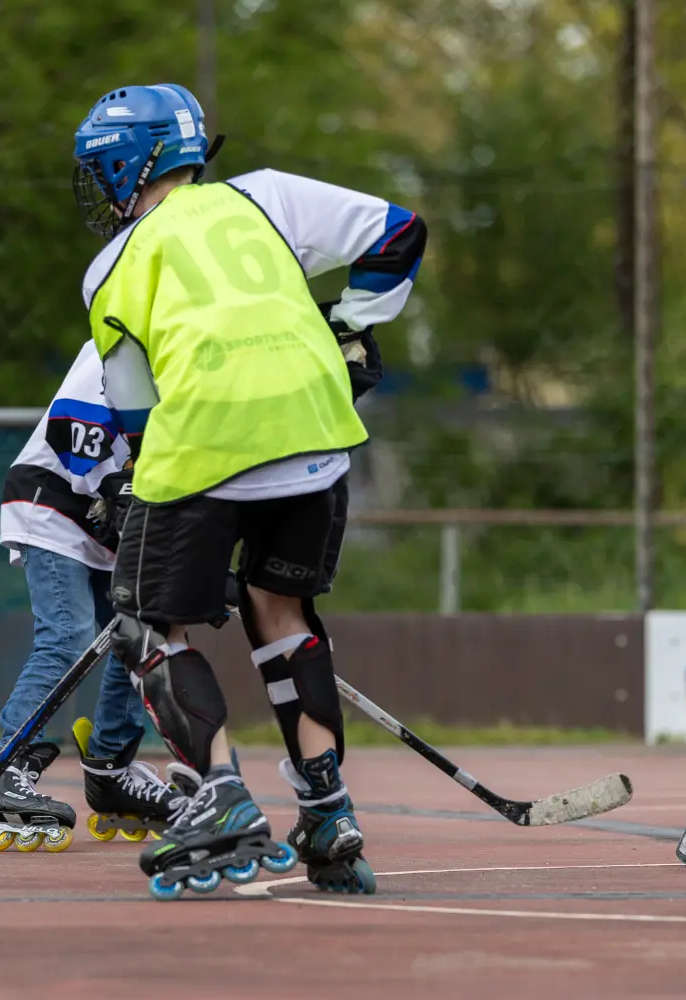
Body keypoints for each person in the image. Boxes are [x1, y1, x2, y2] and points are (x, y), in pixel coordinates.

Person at [72, 82, 425, 898]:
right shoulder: (270, 196)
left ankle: (221, 795)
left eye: (104, 169)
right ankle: (328, 811)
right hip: (319, 435)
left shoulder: (110, 268)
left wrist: (134, 495)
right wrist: (350, 326)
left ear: (133, 162)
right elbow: (402, 231)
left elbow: (136, 414)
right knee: (283, 616)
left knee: (146, 625)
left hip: (203, 442)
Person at [0, 340, 203, 854]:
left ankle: (110, 767)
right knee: (69, 636)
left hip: (112, 526)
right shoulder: (126, 339)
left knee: (142, 633)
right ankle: (11, 764)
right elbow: (72, 426)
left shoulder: (208, 359)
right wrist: (116, 485)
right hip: (56, 502)